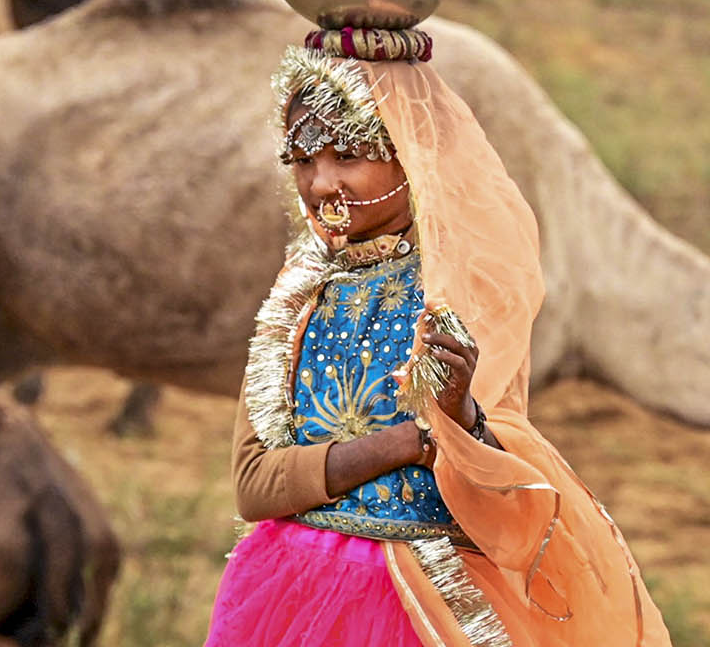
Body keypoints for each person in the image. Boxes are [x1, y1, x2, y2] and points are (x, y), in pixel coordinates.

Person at [204, 35, 671, 646]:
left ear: (409, 153)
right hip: (283, 596)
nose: (320, 184)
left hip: (418, 605)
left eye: (347, 154)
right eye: (302, 159)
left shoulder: (459, 291)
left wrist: (461, 421)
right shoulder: (299, 297)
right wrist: (407, 441)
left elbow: (503, 516)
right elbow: (255, 485)